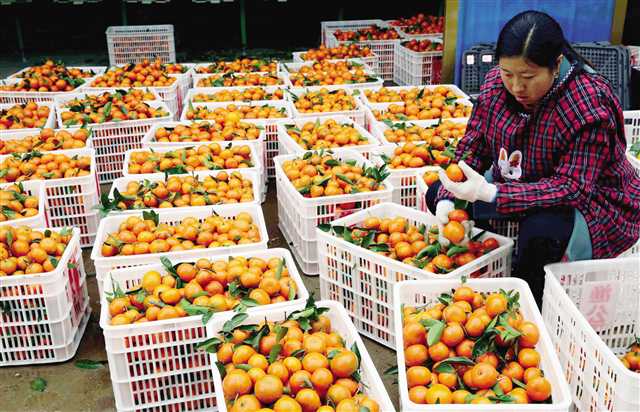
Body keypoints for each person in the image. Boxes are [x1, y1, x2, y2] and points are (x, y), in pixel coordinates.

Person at [426, 10, 640, 303]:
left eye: (528, 77)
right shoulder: (495, 86)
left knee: (541, 231)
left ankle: (530, 304)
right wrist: (449, 199)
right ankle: (485, 263)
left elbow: (572, 188)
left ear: (556, 64)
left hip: (591, 201)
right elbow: (473, 146)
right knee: (437, 191)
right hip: (519, 179)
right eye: (507, 73)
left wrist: (492, 192)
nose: (516, 87)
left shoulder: (588, 104)